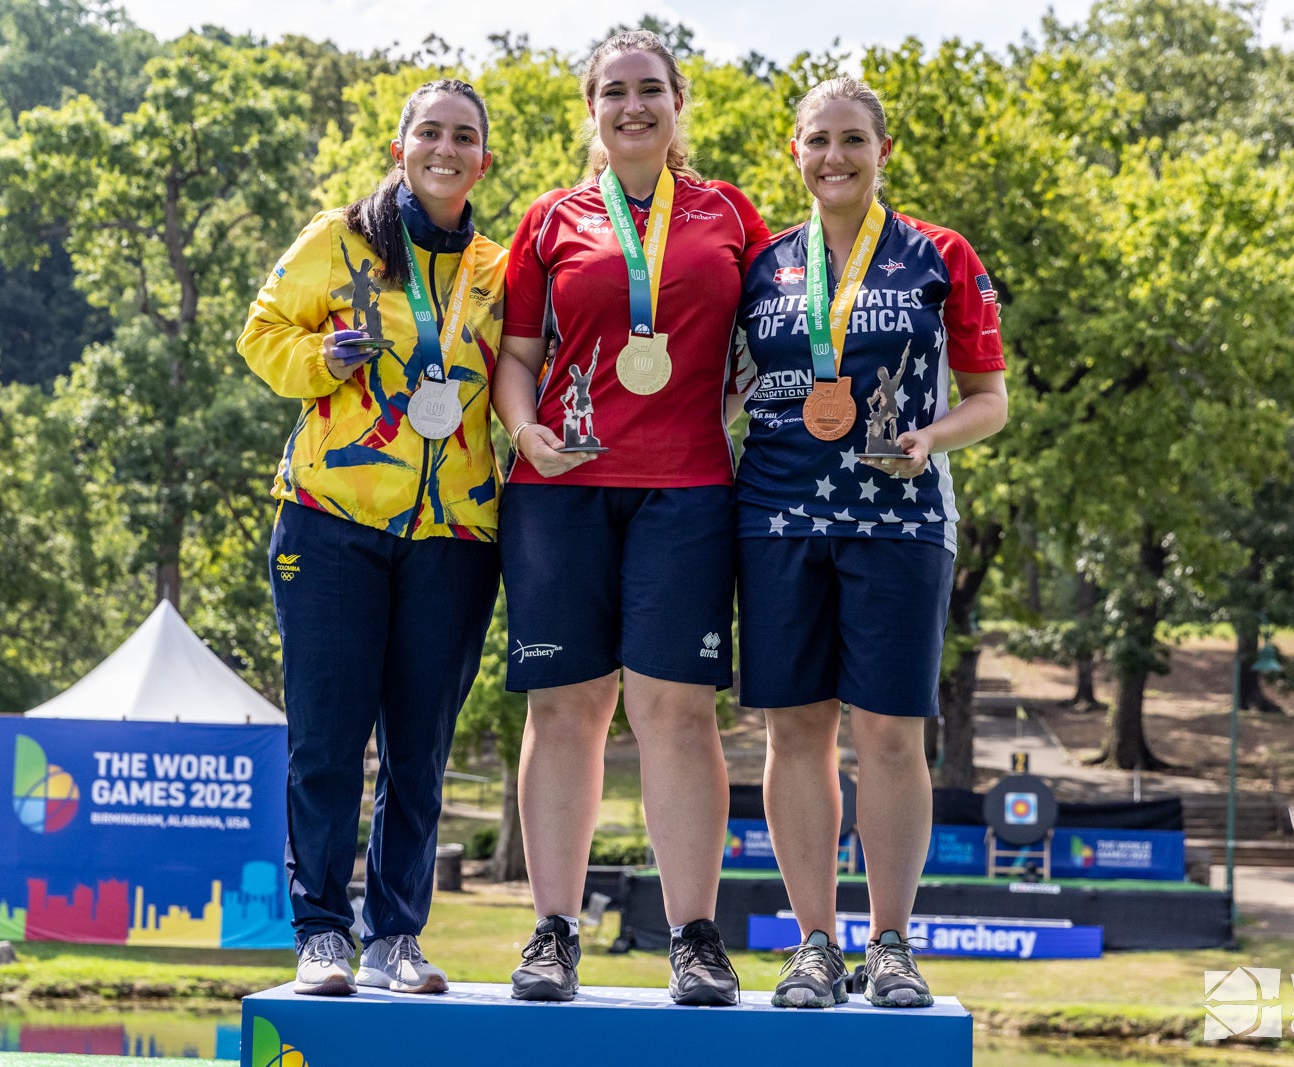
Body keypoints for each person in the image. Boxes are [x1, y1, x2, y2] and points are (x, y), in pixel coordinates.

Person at [492, 30, 770, 1006]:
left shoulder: (732, 212)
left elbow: (782, 329)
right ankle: (552, 932)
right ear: (591, 109)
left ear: (679, 101)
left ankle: (692, 937)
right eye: (614, 92)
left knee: (678, 714)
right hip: (559, 493)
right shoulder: (547, 219)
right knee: (566, 709)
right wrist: (524, 432)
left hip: (690, 489)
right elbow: (517, 356)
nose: (633, 106)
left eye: (650, 89)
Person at [733, 77, 1008, 1009]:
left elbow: (990, 398)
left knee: (891, 734)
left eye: (853, 140)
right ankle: (816, 942)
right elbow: (726, 390)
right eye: (818, 141)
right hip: (774, 516)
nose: (835, 158)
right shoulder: (761, 266)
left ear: (883, 149)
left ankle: (892, 944)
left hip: (901, 520)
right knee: (795, 733)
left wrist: (930, 437)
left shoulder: (940, 255)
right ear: (795, 152)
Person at [238, 79, 506, 998]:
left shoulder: (498, 269)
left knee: (420, 746)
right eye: (428, 131)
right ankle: (321, 932)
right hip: (332, 523)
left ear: (483, 159)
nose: (445, 147)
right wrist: (319, 360)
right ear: (401, 148)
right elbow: (260, 334)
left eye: (463, 136)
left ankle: (396, 935)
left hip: (457, 533)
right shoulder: (338, 236)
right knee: (326, 738)